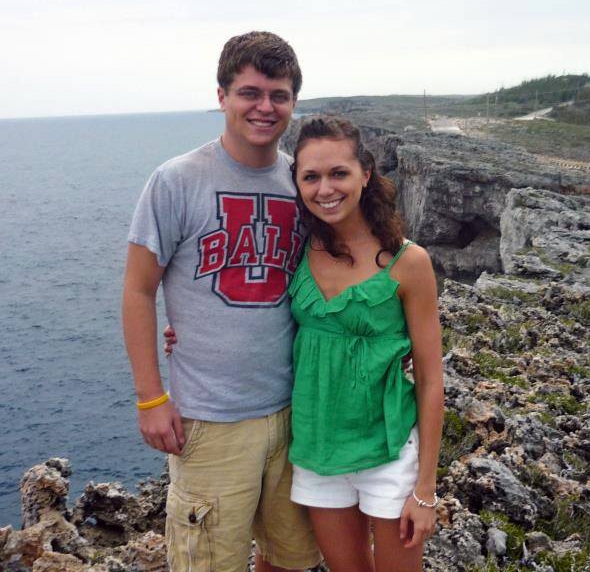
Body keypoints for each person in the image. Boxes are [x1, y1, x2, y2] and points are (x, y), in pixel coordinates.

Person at [169, 116, 445, 571]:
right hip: (317, 448)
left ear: (365, 174)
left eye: (339, 173)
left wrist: (426, 489)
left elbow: (431, 380)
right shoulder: (299, 246)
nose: (325, 189)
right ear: (296, 182)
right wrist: (187, 330)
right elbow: (244, 297)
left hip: (388, 449)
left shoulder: (408, 261)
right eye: (310, 177)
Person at [122, 31, 321, 572]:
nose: (265, 107)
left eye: (278, 95)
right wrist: (149, 398)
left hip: (295, 414)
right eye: (250, 92)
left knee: (293, 558)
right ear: (222, 95)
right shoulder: (175, 181)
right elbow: (139, 290)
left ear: (293, 103)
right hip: (211, 424)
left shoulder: (302, 183)